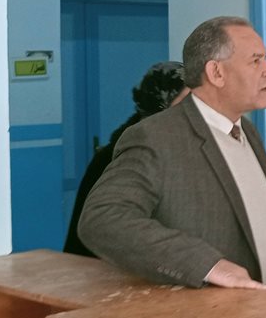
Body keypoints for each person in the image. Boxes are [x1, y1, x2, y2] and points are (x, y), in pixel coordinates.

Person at [79, 16, 266, 292]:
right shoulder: (156, 138)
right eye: (256, 61)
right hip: (211, 312)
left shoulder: (247, 131)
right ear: (216, 72)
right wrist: (206, 265)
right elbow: (103, 218)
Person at [63, 61, 189, 258]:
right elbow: (105, 229)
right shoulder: (120, 156)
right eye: (186, 103)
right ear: (160, 105)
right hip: (110, 267)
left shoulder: (181, 149)